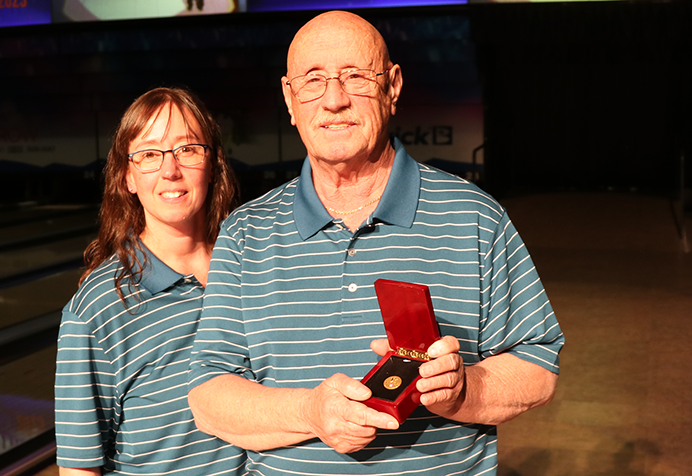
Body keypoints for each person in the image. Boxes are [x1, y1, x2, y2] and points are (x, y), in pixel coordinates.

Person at [187, 10, 564, 475]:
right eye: (313, 80)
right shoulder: (246, 232)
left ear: (393, 86)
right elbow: (209, 396)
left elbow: (536, 367)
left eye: (355, 76)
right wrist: (310, 413)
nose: (334, 100)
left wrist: (464, 391)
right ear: (289, 98)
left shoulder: (474, 217)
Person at [54, 87, 244, 475]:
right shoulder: (98, 308)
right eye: (149, 154)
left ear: (212, 164)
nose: (170, 170)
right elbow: (78, 466)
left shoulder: (248, 270)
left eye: (187, 149)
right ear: (127, 177)